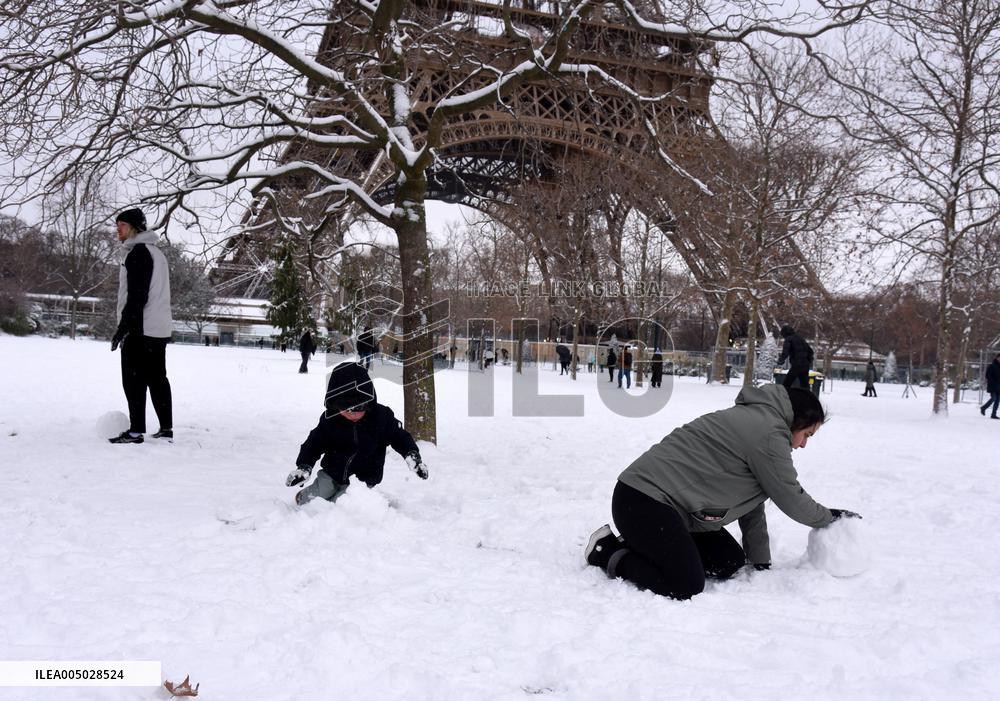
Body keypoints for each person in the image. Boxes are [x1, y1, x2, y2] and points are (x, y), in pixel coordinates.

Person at [584, 384, 860, 600]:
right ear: (797, 421)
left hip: (671, 508)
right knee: (685, 583)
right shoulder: (767, 434)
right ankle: (607, 552)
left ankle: (646, 542)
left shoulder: (762, 423)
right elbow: (790, 497)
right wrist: (829, 517)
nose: (803, 445)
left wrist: (759, 561)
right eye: (807, 435)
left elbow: (752, 502)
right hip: (643, 499)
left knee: (728, 562)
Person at [286, 362, 429, 505]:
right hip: (332, 473)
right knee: (316, 497)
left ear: (369, 402)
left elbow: (400, 437)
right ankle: (304, 495)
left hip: (363, 479)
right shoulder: (330, 420)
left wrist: (411, 454)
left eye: (359, 408)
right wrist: (305, 465)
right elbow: (314, 443)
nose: (353, 414)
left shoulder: (381, 418)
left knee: (342, 504)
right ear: (335, 404)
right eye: (346, 409)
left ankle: (373, 502)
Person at [108, 208, 174, 444]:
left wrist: (123, 328)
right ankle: (166, 429)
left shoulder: (137, 253)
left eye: (122, 225)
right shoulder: (157, 253)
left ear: (135, 227)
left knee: (133, 379)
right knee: (157, 378)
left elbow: (137, 296)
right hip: (158, 327)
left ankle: (135, 431)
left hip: (141, 327)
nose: (118, 229)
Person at [777, 325, 813, 390]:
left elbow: (785, 352)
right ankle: (807, 398)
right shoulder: (800, 338)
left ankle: (784, 397)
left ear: (784, 333)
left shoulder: (788, 339)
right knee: (805, 385)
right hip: (805, 365)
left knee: (786, 384)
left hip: (796, 365)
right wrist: (808, 361)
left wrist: (781, 360)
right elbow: (810, 351)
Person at [981, 353, 1000, 419]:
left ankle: (993, 414)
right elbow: (987, 376)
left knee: (997, 401)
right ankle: (983, 407)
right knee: (993, 398)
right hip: (993, 386)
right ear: (997, 358)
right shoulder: (991, 366)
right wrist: (993, 382)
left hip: (999, 387)